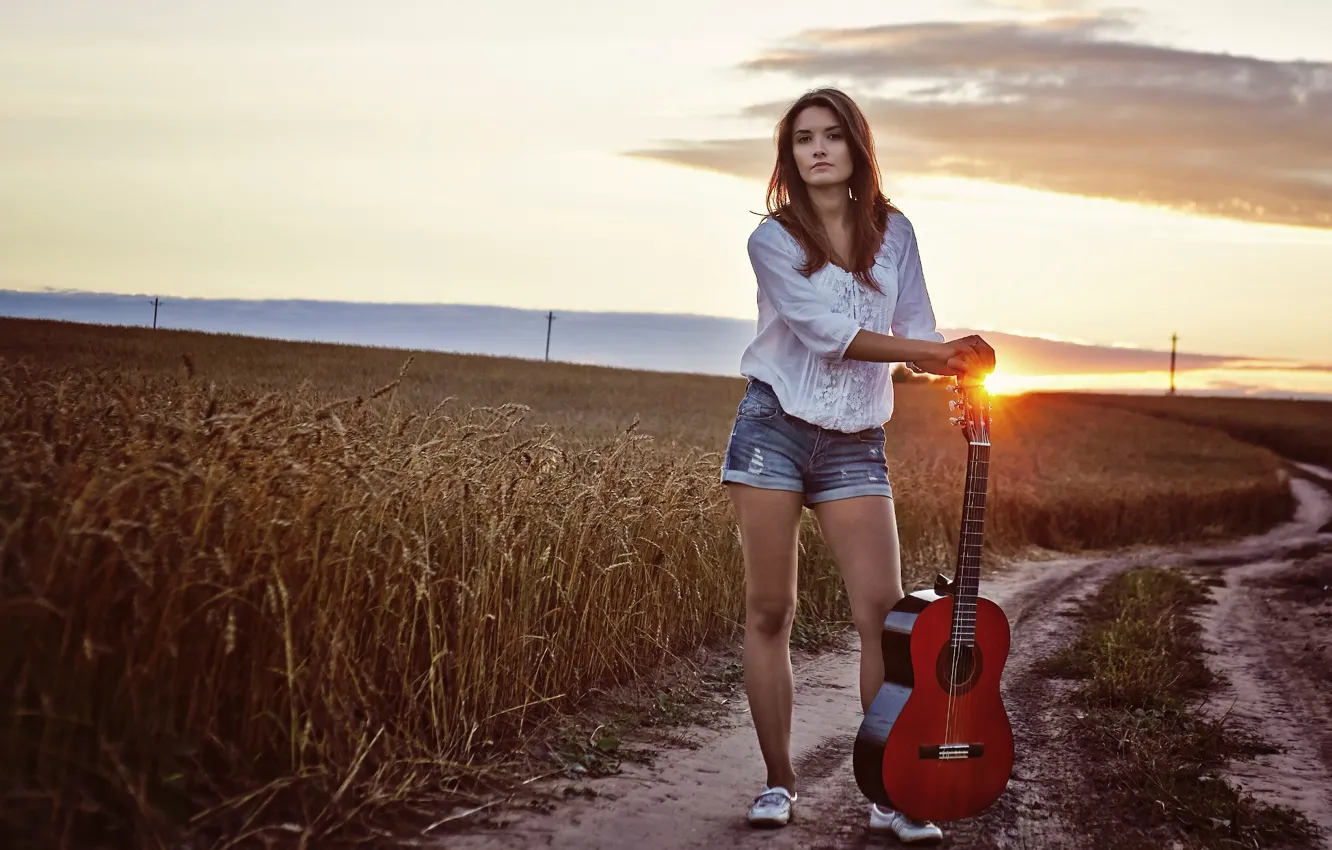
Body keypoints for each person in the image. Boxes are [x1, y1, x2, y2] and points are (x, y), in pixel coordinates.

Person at [719, 87, 996, 844]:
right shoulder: (772, 239)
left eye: (832, 135)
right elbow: (825, 333)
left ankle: (891, 790)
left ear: (856, 148)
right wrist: (931, 352)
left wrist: (956, 363)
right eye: (803, 137)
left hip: (854, 443)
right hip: (773, 431)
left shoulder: (895, 232)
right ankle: (779, 782)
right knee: (770, 610)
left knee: (886, 620)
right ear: (789, 155)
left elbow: (918, 329)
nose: (817, 149)